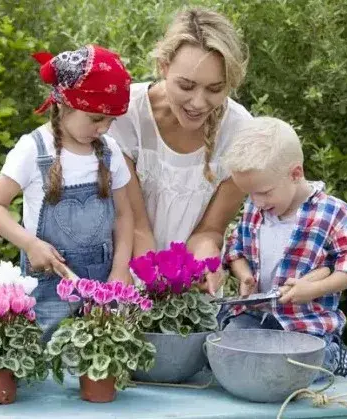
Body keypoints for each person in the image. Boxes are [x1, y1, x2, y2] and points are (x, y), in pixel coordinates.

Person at [0, 45, 134, 341]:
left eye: (111, 120)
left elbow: (124, 214)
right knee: (47, 359)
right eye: (95, 119)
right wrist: (30, 244)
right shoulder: (34, 150)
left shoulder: (109, 152)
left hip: (103, 282)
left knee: (98, 355)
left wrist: (120, 269)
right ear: (65, 104)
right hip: (49, 284)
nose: (103, 128)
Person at [107, 7, 254, 296]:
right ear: (164, 66)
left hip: (191, 288)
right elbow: (137, 226)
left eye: (215, 88)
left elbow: (210, 231)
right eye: (186, 85)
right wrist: (157, 285)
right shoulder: (125, 117)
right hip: (126, 275)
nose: (198, 103)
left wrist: (204, 263)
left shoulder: (240, 131)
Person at [221, 116, 347, 382]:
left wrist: (313, 289)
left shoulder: (335, 214)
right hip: (255, 319)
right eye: (250, 194)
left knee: (295, 369)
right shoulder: (255, 211)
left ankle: (341, 359)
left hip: (305, 326)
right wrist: (244, 274)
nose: (256, 202)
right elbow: (235, 248)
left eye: (264, 192)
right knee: (223, 353)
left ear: (295, 174)